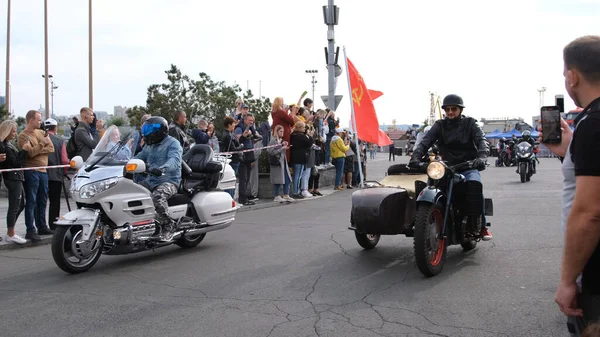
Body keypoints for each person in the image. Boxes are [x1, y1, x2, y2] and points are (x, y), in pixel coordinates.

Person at [543, 35, 600, 333]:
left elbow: (590, 212)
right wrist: (570, 152)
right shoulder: (588, 124)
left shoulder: (593, 124)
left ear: (572, 76)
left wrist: (568, 281)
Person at [409, 94, 492, 241]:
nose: (450, 112)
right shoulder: (440, 125)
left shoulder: (471, 124)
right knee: (429, 186)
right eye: (447, 109)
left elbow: (482, 141)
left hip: (467, 165)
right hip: (444, 167)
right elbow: (425, 142)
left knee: (475, 185)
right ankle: (424, 220)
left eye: (453, 109)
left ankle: (482, 226)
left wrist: (482, 157)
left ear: (460, 109)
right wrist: (415, 157)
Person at [135, 116, 183, 241]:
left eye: (150, 129)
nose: (147, 132)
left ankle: (169, 225)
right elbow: (139, 157)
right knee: (131, 191)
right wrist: (125, 164)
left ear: (161, 130)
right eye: (146, 129)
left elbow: (175, 161)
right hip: (151, 180)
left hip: (169, 181)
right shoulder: (149, 146)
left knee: (158, 196)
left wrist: (162, 169)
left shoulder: (173, 143)